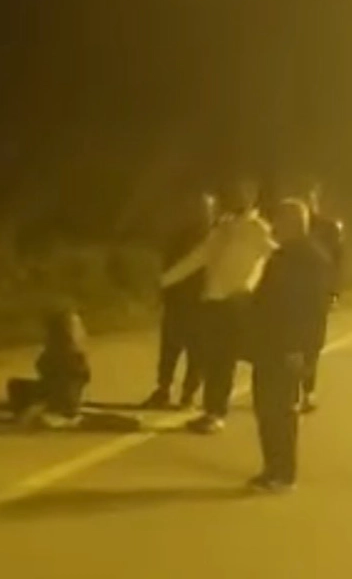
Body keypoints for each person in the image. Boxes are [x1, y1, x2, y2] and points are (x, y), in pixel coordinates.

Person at [161, 177, 276, 434]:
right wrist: (165, 280)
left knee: (225, 359)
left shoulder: (258, 228)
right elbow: (199, 257)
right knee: (212, 359)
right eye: (237, 191)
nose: (239, 196)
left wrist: (254, 287)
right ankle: (210, 410)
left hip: (236, 302)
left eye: (245, 192)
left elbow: (273, 257)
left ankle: (217, 413)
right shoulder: (224, 226)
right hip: (212, 300)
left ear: (254, 195)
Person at [248, 199, 331, 492]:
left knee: (280, 411)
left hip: (287, 347)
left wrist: (301, 349)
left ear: (294, 223)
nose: (274, 226)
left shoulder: (311, 260)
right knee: (266, 408)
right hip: (270, 344)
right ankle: (272, 467)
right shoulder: (283, 255)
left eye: (279, 220)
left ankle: (283, 473)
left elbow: (312, 310)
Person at [142, 192, 216, 410]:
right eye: (198, 209)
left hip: (202, 303)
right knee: (170, 349)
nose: (200, 213)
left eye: (205, 209)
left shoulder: (217, 238)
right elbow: (169, 267)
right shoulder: (180, 238)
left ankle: (188, 393)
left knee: (197, 352)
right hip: (177, 301)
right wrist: (162, 295)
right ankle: (163, 389)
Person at [300, 181, 344, 413]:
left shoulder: (328, 228)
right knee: (286, 344)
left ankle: (308, 390)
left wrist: (333, 292)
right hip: (287, 294)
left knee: (311, 344)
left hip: (315, 294)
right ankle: (286, 390)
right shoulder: (284, 224)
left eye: (308, 195)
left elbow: (337, 262)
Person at [8, 307, 90, 427]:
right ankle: (46, 409)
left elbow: (67, 386)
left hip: (63, 398)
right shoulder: (58, 352)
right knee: (16, 386)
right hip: (54, 393)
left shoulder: (72, 357)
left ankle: (55, 411)